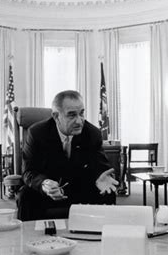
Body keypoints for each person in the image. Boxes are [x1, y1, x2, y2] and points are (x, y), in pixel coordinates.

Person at [17, 90, 118, 221]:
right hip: (48, 192)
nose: (79, 121)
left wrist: (100, 176)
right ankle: (29, 237)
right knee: (26, 195)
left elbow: (99, 165)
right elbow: (28, 172)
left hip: (78, 189)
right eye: (71, 115)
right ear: (56, 116)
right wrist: (44, 184)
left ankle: (100, 237)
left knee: (107, 191)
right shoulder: (37, 133)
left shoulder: (92, 133)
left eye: (81, 113)